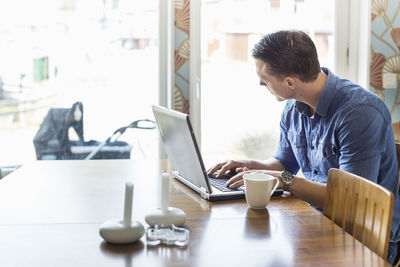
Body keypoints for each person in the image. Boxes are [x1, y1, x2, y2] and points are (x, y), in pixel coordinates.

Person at [207, 30, 400, 265]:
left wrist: (285, 180)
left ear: (290, 82)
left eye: (264, 78)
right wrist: (251, 166)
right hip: (316, 219)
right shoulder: (293, 108)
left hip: (363, 239)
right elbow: (283, 163)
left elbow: (350, 200)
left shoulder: (360, 113)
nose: (260, 82)